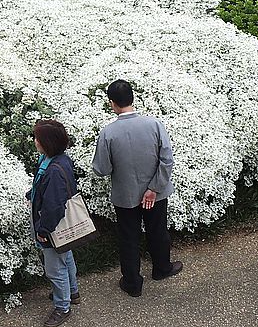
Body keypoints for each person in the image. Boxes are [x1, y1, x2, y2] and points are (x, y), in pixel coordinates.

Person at [92, 79, 183, 297]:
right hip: (156, 194)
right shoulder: (154, 124)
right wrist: (153, 188)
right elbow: (167, 160)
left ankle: (133, 283)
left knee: (129, 237)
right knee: (158, 230)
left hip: (125, 196)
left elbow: (101, 169)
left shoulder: (108, 133)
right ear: (133, 98)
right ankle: (162, 268)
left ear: (112, 103)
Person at [26, 120, 79, 327]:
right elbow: (45, 188)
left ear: (47, 142)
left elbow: (54, 205)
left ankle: (62, 307)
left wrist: (44, 230)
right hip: (59, 226)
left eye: (38, 138)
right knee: (65, 256)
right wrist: (33, 193)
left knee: (55, 269)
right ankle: (72, 292)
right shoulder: (54, 159)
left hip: (52, 226)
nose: (35, 141)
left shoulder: (54, 169)